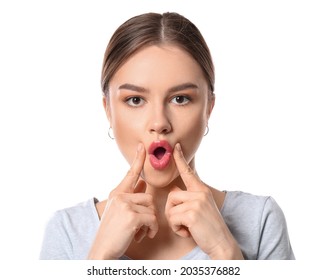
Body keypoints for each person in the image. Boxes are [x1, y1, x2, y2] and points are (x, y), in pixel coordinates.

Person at [39, 12, 295, 260]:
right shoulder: (67, 232)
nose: (159, 123)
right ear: (108, 110)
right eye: (135, 100)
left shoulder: (261, 221)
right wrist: (100, 257)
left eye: (180, 99)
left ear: (208, 108)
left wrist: (225, 251)